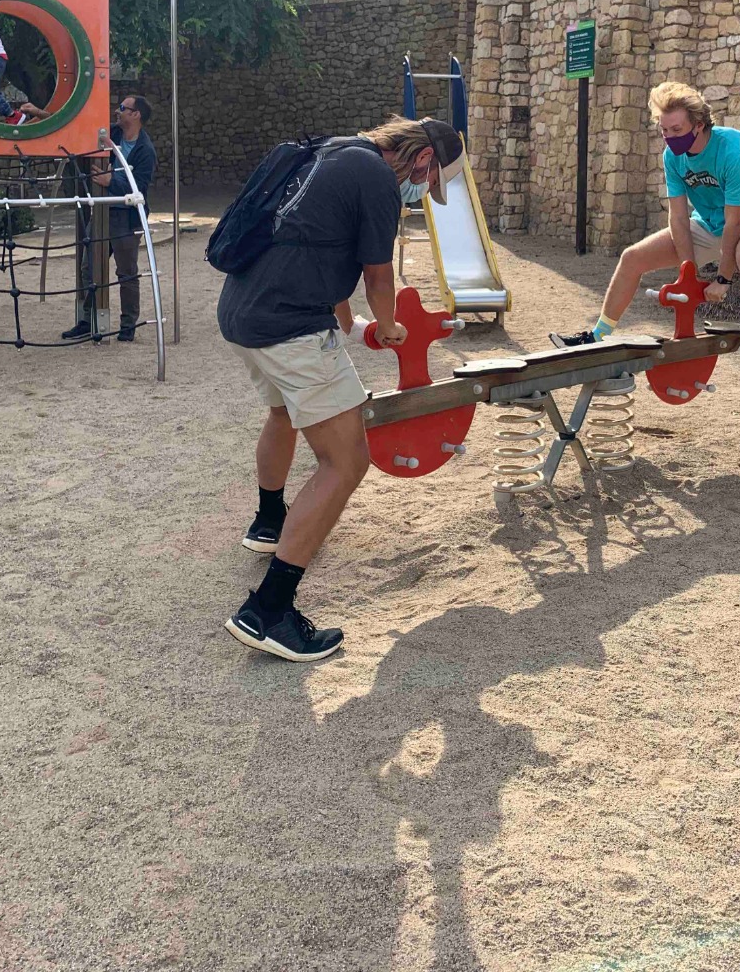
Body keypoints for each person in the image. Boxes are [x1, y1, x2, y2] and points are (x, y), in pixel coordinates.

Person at [217, 116, 466, 664]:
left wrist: (351, 327)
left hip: (242, 312)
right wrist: (392, 327)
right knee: (346, 460)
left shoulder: (335, 152)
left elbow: (316, 249)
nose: (424, 192)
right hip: (289, 325)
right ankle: (268, 612)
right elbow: (378, 275)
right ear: (424, 159)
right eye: (429, 182)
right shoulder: (378, 180)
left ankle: (269, 520)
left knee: (283, 414)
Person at [554, 81, 740, 394]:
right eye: (664, 130)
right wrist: (688, 274)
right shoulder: (673, 156)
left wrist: (722, 280)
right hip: (707, 224)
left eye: (677, 130)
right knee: (632, 258)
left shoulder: (735, 150)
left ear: (699, 125)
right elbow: (679, 218)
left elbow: (735, 223)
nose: (670, 137)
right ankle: (597, 336)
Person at [63, 95, 157, 345]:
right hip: (103, 212)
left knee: (126, 272)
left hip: (126, 217)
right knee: (89, 267)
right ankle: (88, 320)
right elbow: (81, 128)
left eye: (123, 108)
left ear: (136, 115)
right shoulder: (112, 134)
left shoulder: (145, 150)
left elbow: (140, 187)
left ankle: (128, 326)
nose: (118, 111)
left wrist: (111, 181)